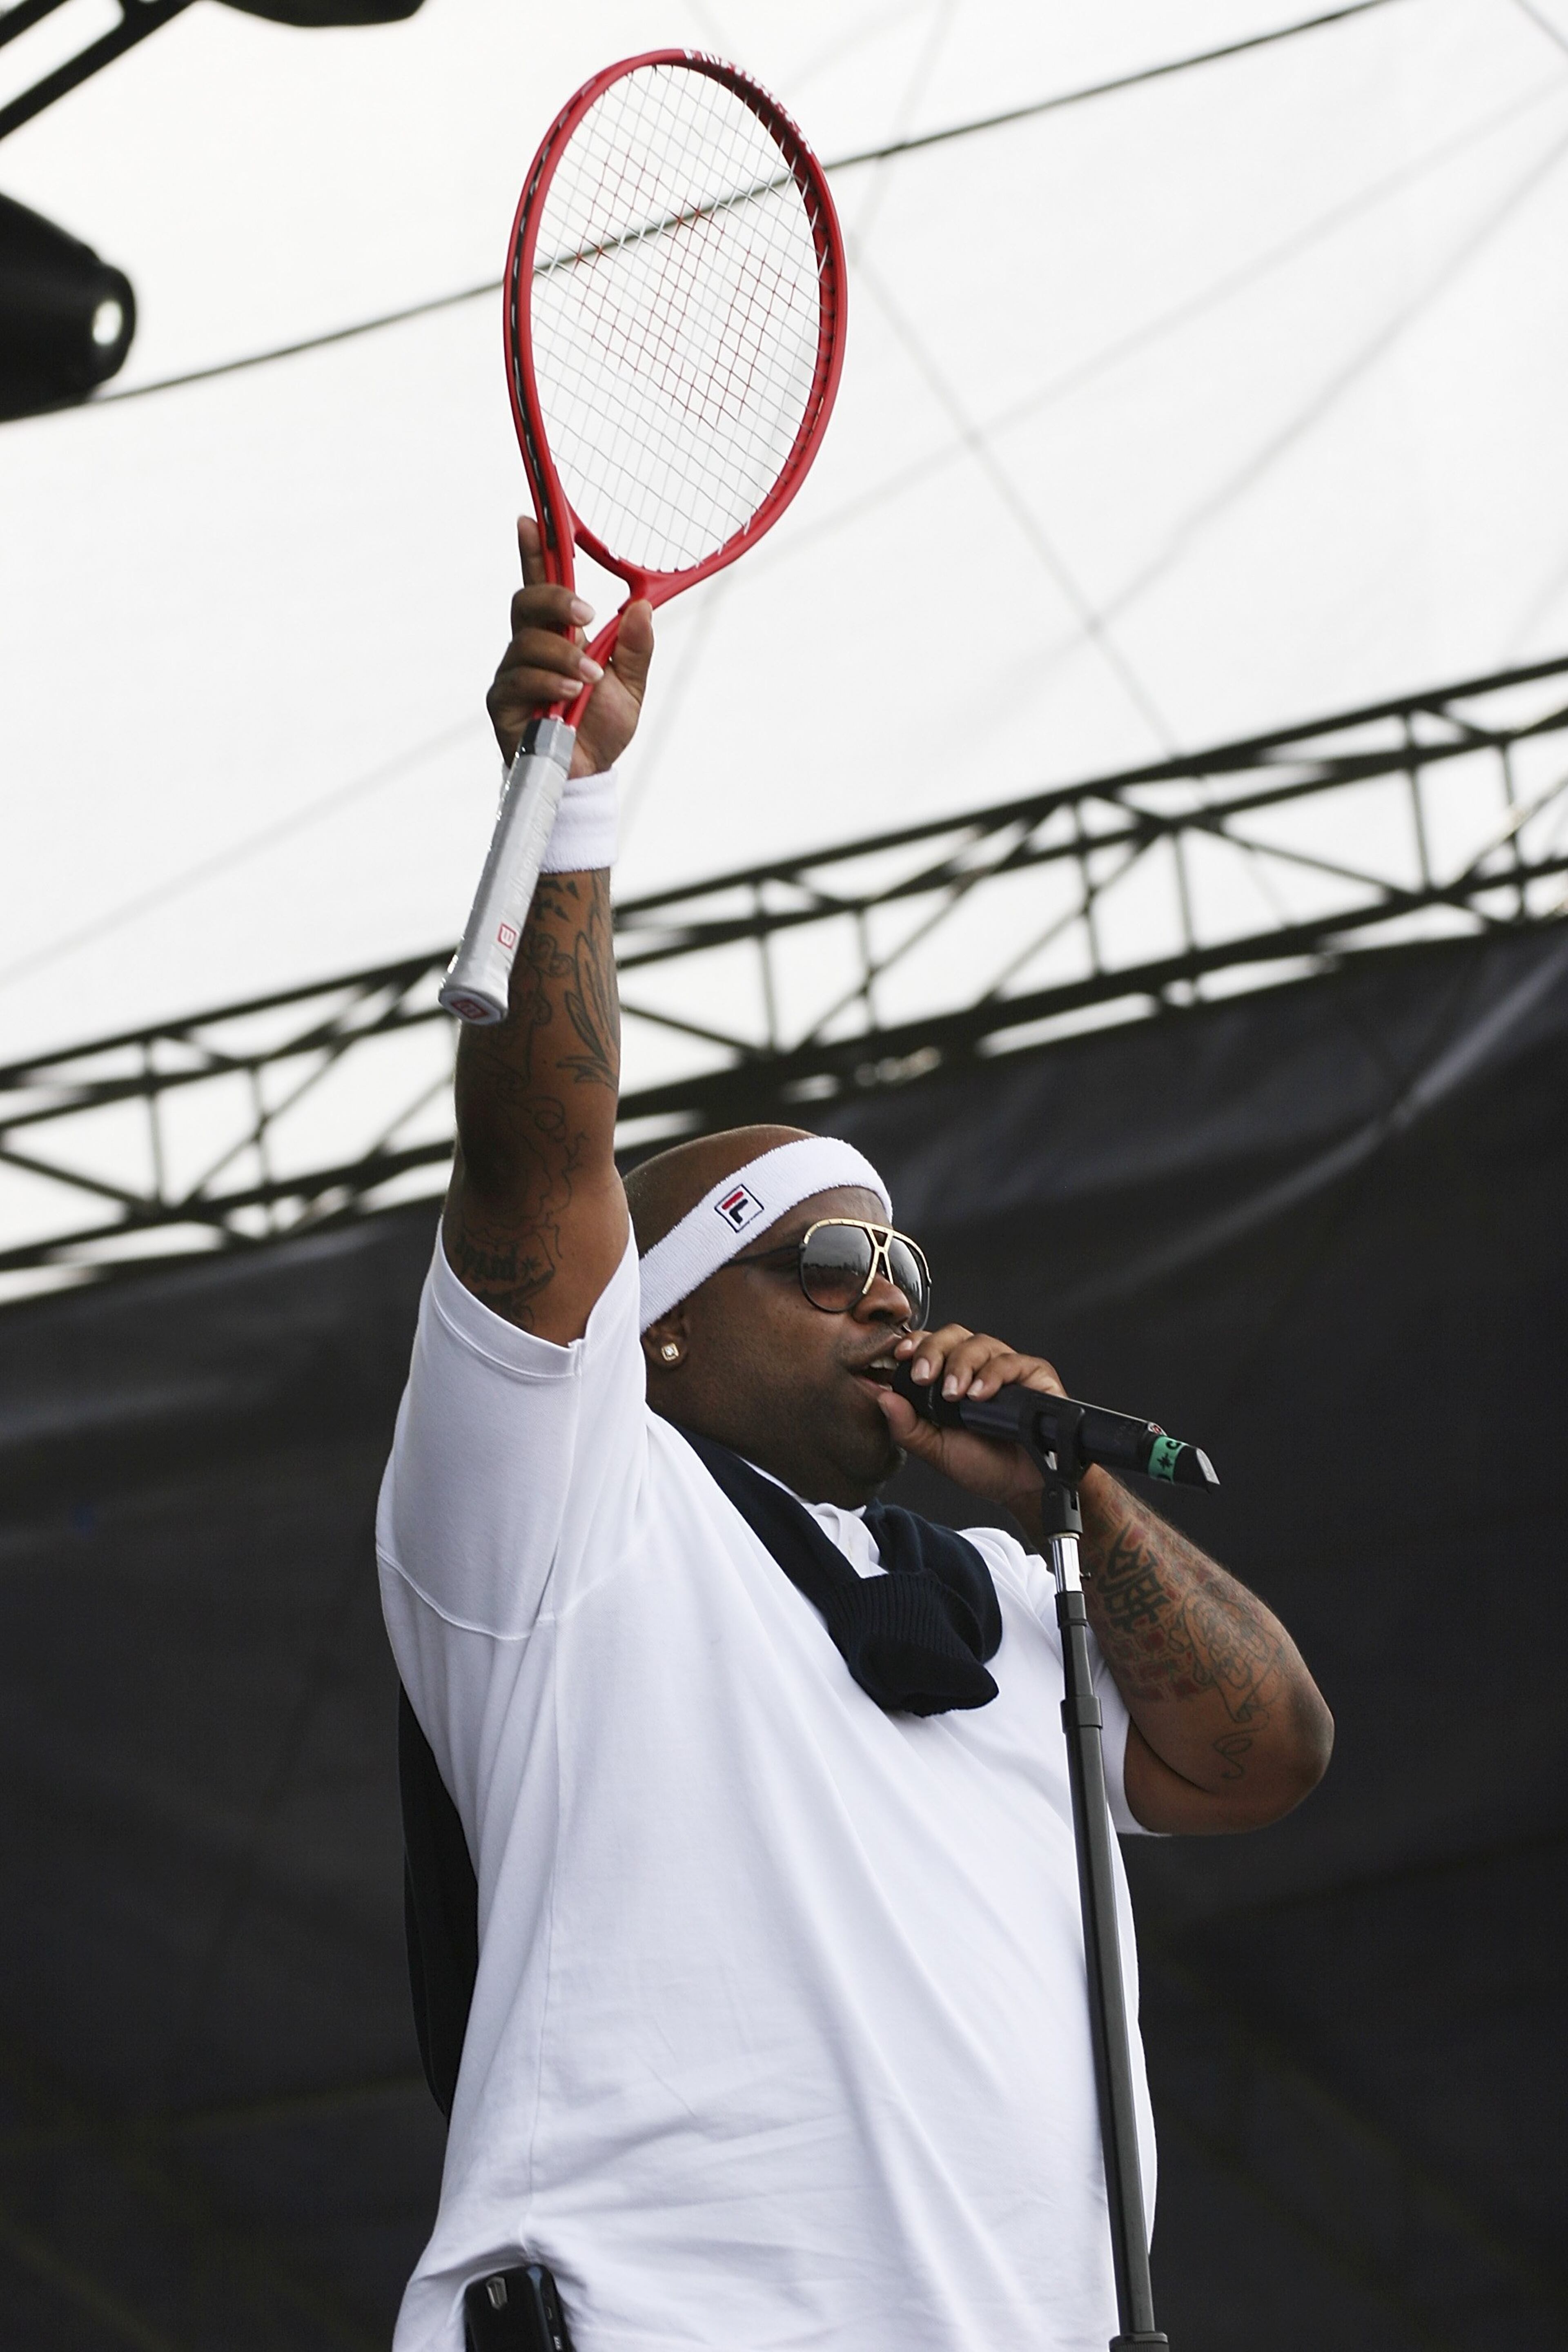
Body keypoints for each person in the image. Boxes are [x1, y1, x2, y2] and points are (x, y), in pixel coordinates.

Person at [377, 523, 1334, 2352]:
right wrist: (564, 805)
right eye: (826, 1256)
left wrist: (1082, 1504)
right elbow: (535, 1172)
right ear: (648, 1336)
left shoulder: (1012, 1597)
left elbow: (1264, 1753)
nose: (890, 1292)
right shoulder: (570, 1521)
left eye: (903, 1254)